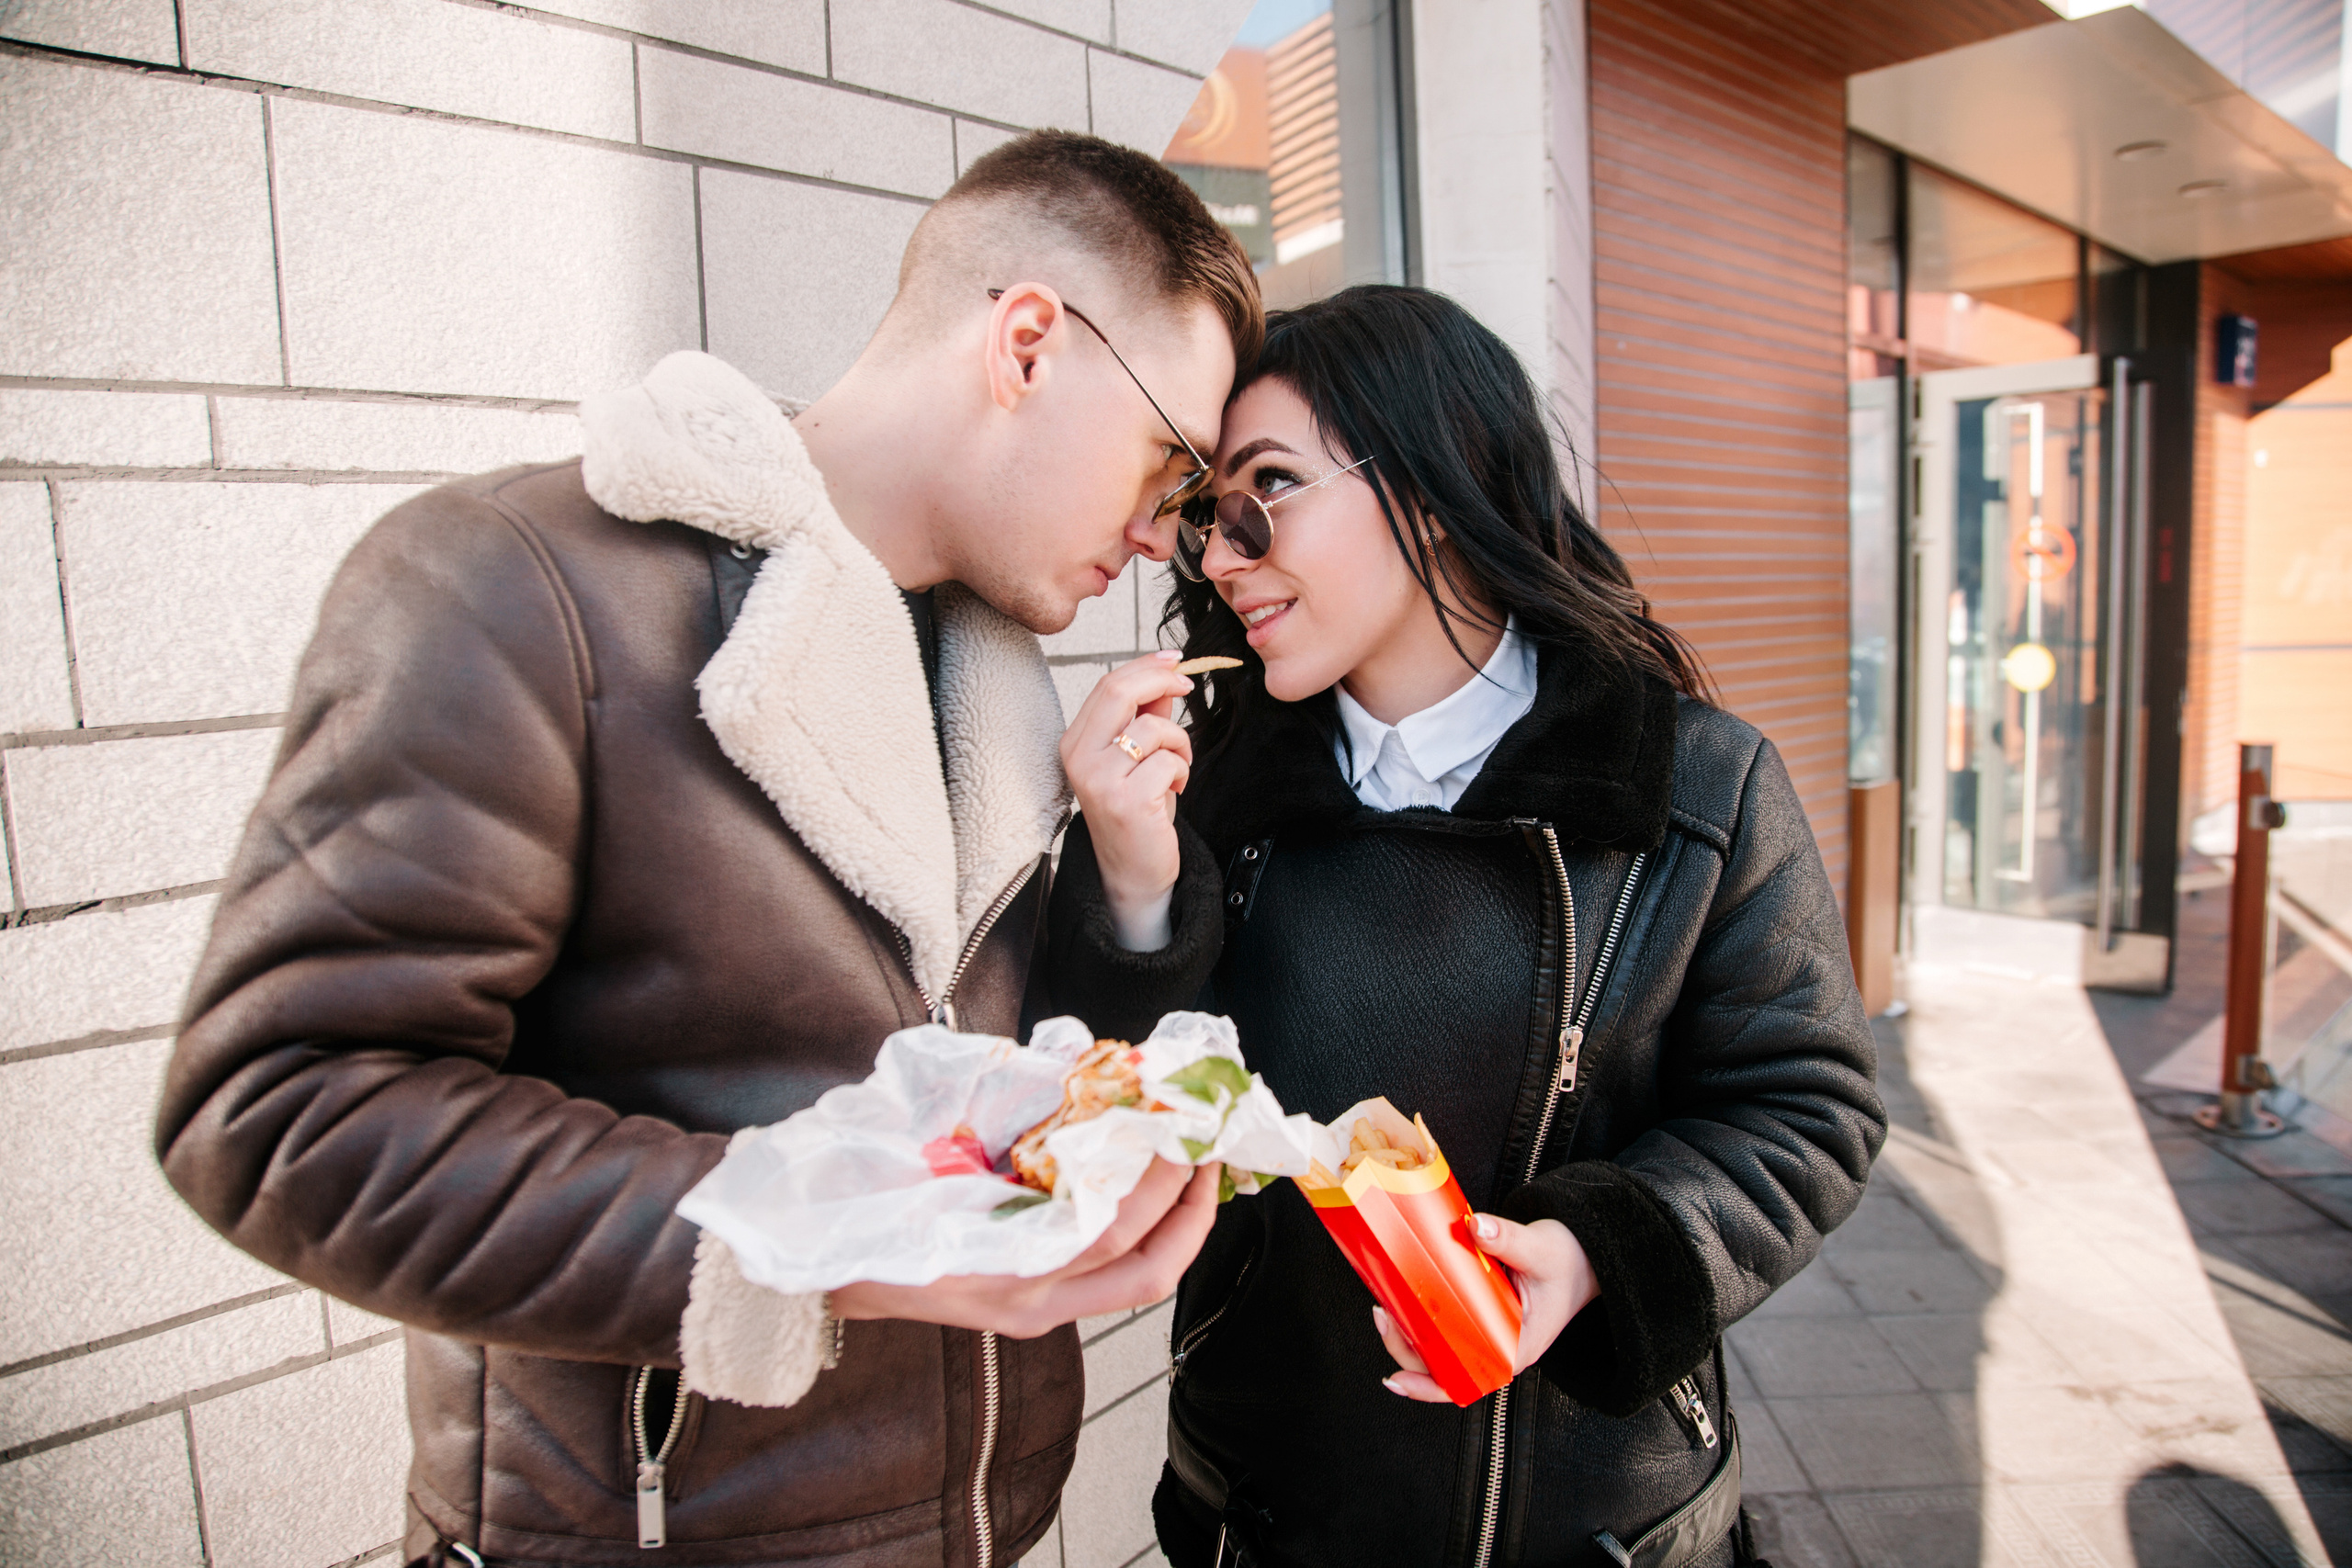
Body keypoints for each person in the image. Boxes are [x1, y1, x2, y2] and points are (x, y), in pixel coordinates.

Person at [154, 131, 1256, 1568]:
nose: (1171, 537)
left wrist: (1127, 876)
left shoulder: (985, 676)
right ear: (1030, 344)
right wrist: (814, 1240)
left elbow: (982, 1084)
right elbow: (278, 1109)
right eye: (1171, 461)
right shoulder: (516, 585)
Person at [1145, 286, 1886, 1568]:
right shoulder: (1209, 798)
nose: (1221, 555)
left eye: (1265, 494)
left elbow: (1808, 1102)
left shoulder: (1694, 786)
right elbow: (1107, 1086)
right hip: (1271, 1509)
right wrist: (1117, 871)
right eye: (1207, 517)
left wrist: (1597, 1254)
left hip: (1596, 1512)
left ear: (1432, 489)